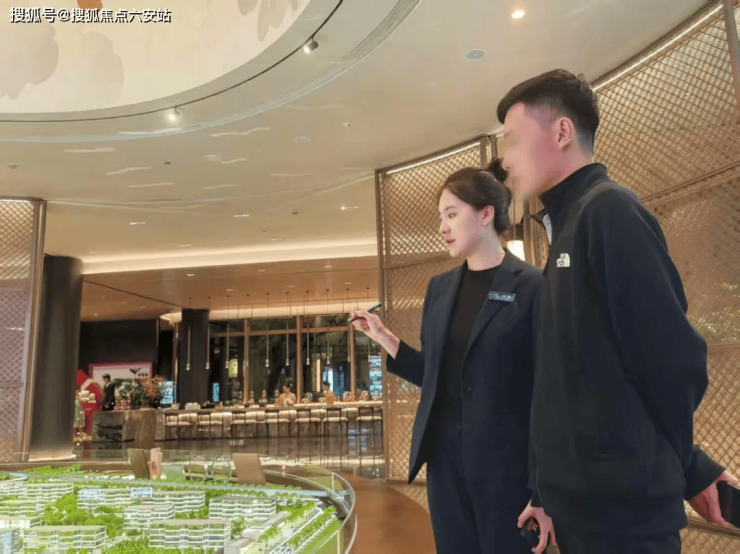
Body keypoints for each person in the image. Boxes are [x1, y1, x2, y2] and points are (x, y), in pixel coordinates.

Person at [498, 69, 737, 554]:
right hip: (581, 509)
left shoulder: (609, 211)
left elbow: (673, 364)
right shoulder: (566, 226)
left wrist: (685, 466)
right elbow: (571, 381)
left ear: (561, 132)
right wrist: (544, 492)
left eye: (513, 140)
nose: (504, 160)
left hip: (623, 515)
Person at [351, 159, 552, 554]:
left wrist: (542, 490)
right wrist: (384, 337)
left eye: (452, 214)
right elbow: (436, 376)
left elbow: (548, 393)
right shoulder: (440, 289)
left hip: (507, 471)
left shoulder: (533, 286)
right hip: (446, 466)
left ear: (486, 214)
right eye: (440, 217)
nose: (442, 226)